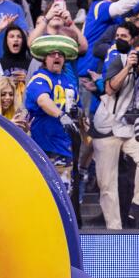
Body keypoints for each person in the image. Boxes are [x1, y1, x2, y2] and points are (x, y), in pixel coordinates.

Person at [91, 33, 139, 229]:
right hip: (107, 127)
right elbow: (109, 89)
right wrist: (128, 68)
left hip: (132, 129)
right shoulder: (120, 61)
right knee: (107, 184)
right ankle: (114, 228)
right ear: (132, 50)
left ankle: (138, 204)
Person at [24, 34, 81, 190]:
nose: (57, 56)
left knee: (64, 196)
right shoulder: (39, 78)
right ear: (44, 59)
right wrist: (61, 116)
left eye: (60, 54)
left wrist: (82, 119)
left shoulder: (70, 82)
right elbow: (43, 100)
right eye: (52, 54)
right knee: (42, 194)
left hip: (64, 148)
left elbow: (78, 108)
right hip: (42, 147)